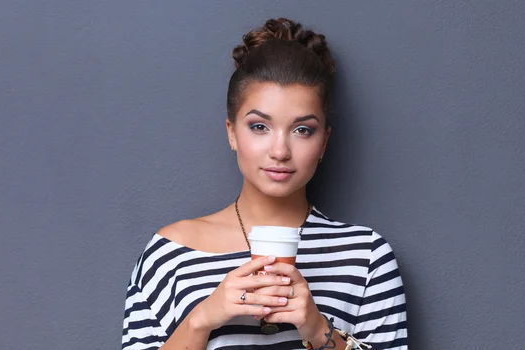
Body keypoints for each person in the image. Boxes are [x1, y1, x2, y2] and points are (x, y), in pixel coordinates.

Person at [122, 17, 408, 350]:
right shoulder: (170, 254)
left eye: (303, 130)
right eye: (259, 127)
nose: (280, 151)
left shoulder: (367, 257)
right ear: (232, 132)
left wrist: (318, 330)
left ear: (324, 142)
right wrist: (201, 320)